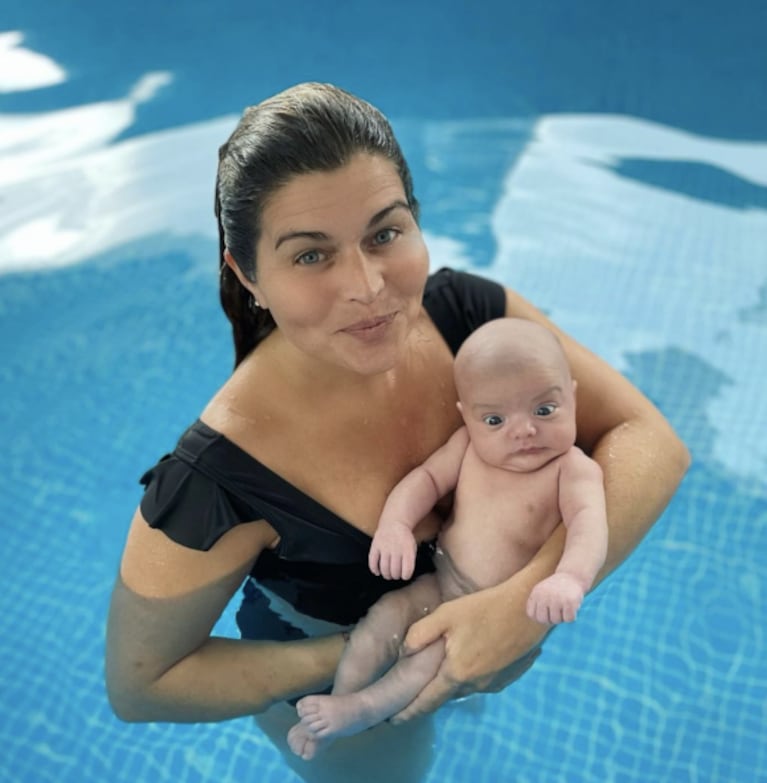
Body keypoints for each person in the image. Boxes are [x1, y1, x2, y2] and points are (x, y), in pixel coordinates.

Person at [105, 82, 690, 782]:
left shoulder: (470, 319)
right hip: (339, 680)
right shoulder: (217, 482)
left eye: (384, 233)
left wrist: (516, 608)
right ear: (247, 275)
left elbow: (651, 439)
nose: (369, 286)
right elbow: (143, 684)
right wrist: (385, 648)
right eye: (310, 255)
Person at [287, 317, 608, 759]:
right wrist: (395, 526)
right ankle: (338, 704)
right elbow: (424, 480)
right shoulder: (467, 447)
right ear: (468, 417)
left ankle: (361, 710)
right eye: (495, 419)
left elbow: (591, 523)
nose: (524, 431)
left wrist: (570, 578)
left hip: (488, 609)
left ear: (572, 396)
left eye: (544, 410)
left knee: (426, 656)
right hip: (441, 581)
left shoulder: (572, 471)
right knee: (382, 619)